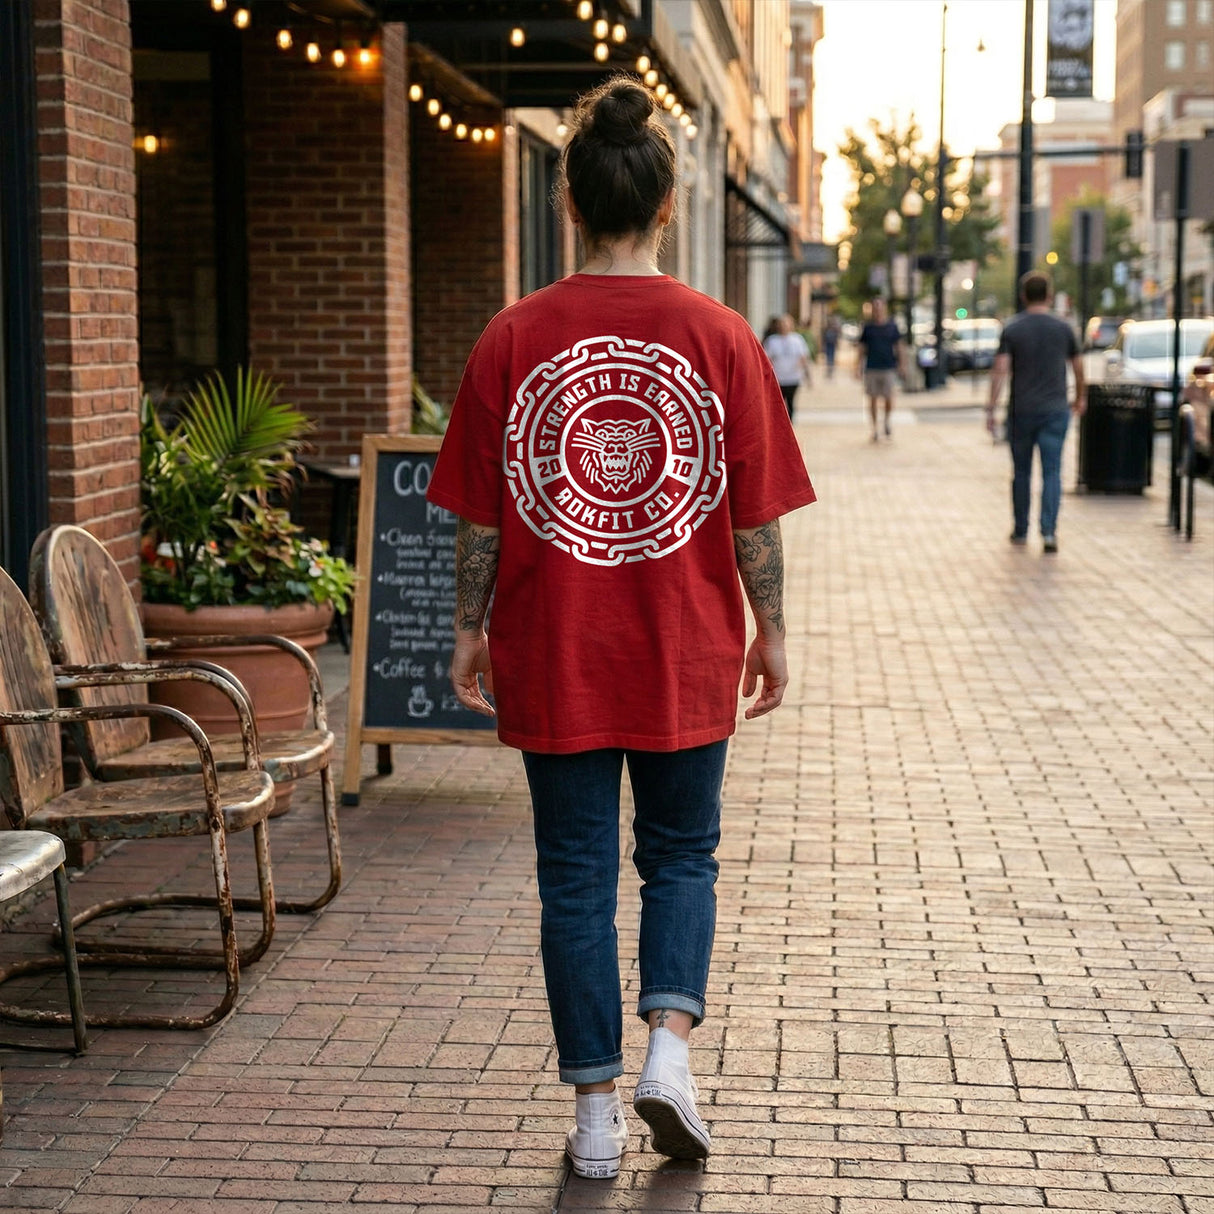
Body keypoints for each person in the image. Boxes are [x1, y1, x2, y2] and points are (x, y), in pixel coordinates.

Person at [426, 76, 815, 1181]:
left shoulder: (511, 337)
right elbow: (752, 519)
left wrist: (467, 628)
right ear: (664, 200)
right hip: (685, 645)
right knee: (681, 857)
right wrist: (770, 628)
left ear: (567, 200)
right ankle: (668, 1056)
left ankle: (595, 1116)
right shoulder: (723, 335)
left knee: (573, 876)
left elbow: (484, 517)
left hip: (554, 648)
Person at [986, 270, 1084, 554]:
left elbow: (1000, 370)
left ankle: (1020, 530)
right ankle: (1049, 531)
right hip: (1055, 410)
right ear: (1050, 296)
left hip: (1022, 410)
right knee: (1052, 471)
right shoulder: (1064, 328)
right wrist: (1080, 398)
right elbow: (1078, 367)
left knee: (1021, 472)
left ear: (1023, 295)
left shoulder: (1013, 328)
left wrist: (991, 408)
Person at [857, 297, 904, 441]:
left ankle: (887, 421)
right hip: (872, 367)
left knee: (889, 398)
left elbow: (899, 346)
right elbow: (862, 348)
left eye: (880, 307)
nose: (877, 310)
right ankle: (875, 428)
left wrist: (902, 365)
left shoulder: (892, 326)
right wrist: (858, 366)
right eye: (875, 307)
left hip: (888, 366)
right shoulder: (868, 327)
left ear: (884, 308)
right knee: (872, 399)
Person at [763, 313, 812, 419]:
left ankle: (790, 423)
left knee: (790, 402)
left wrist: (807, 376)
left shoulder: (797, 339)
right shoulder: (772, 340)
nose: (784, 326)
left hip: (793, 377)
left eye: (786, 324)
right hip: (778, 377)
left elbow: (803, 357)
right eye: (782, 324)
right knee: (778, 404)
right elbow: (766, 359)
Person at [822, 313, 841, 379]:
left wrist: (837, 344)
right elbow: (824, 339)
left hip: (832, 345)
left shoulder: (834, 330)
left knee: (831, 357)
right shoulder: (827, 330)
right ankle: (829, 368)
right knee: (828, 357)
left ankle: (831, 369)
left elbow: (836, 338)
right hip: (828, 345)